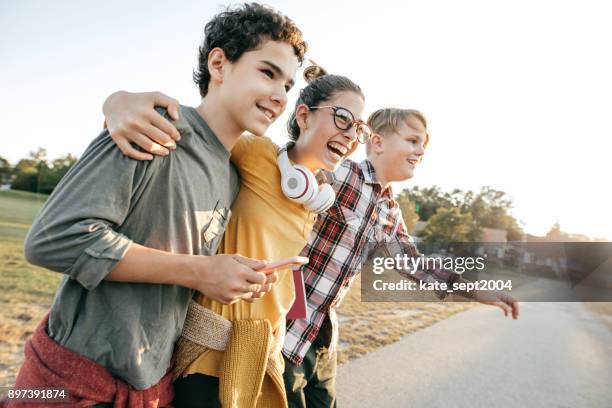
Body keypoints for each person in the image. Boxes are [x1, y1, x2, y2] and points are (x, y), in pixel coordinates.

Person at [103, 106, 519, 408]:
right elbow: (264, 157)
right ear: (375, 140)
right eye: (412, 140)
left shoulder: (390, 208)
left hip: (323, 339)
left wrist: (477, 291)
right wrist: (123, 105)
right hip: (283, 333)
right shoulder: (336, 175)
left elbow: (414, 265)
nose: (419, 151)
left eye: (423, 146)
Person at [10, 4, 306, 406]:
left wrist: (234, 276)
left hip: (153, 388)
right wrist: (199, 272)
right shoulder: (152, 129)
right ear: (218, 63)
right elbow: (53, 239)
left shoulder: (236, 173)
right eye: (268, 73)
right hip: (71, 383)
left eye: (288, 85)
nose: (279, 95)